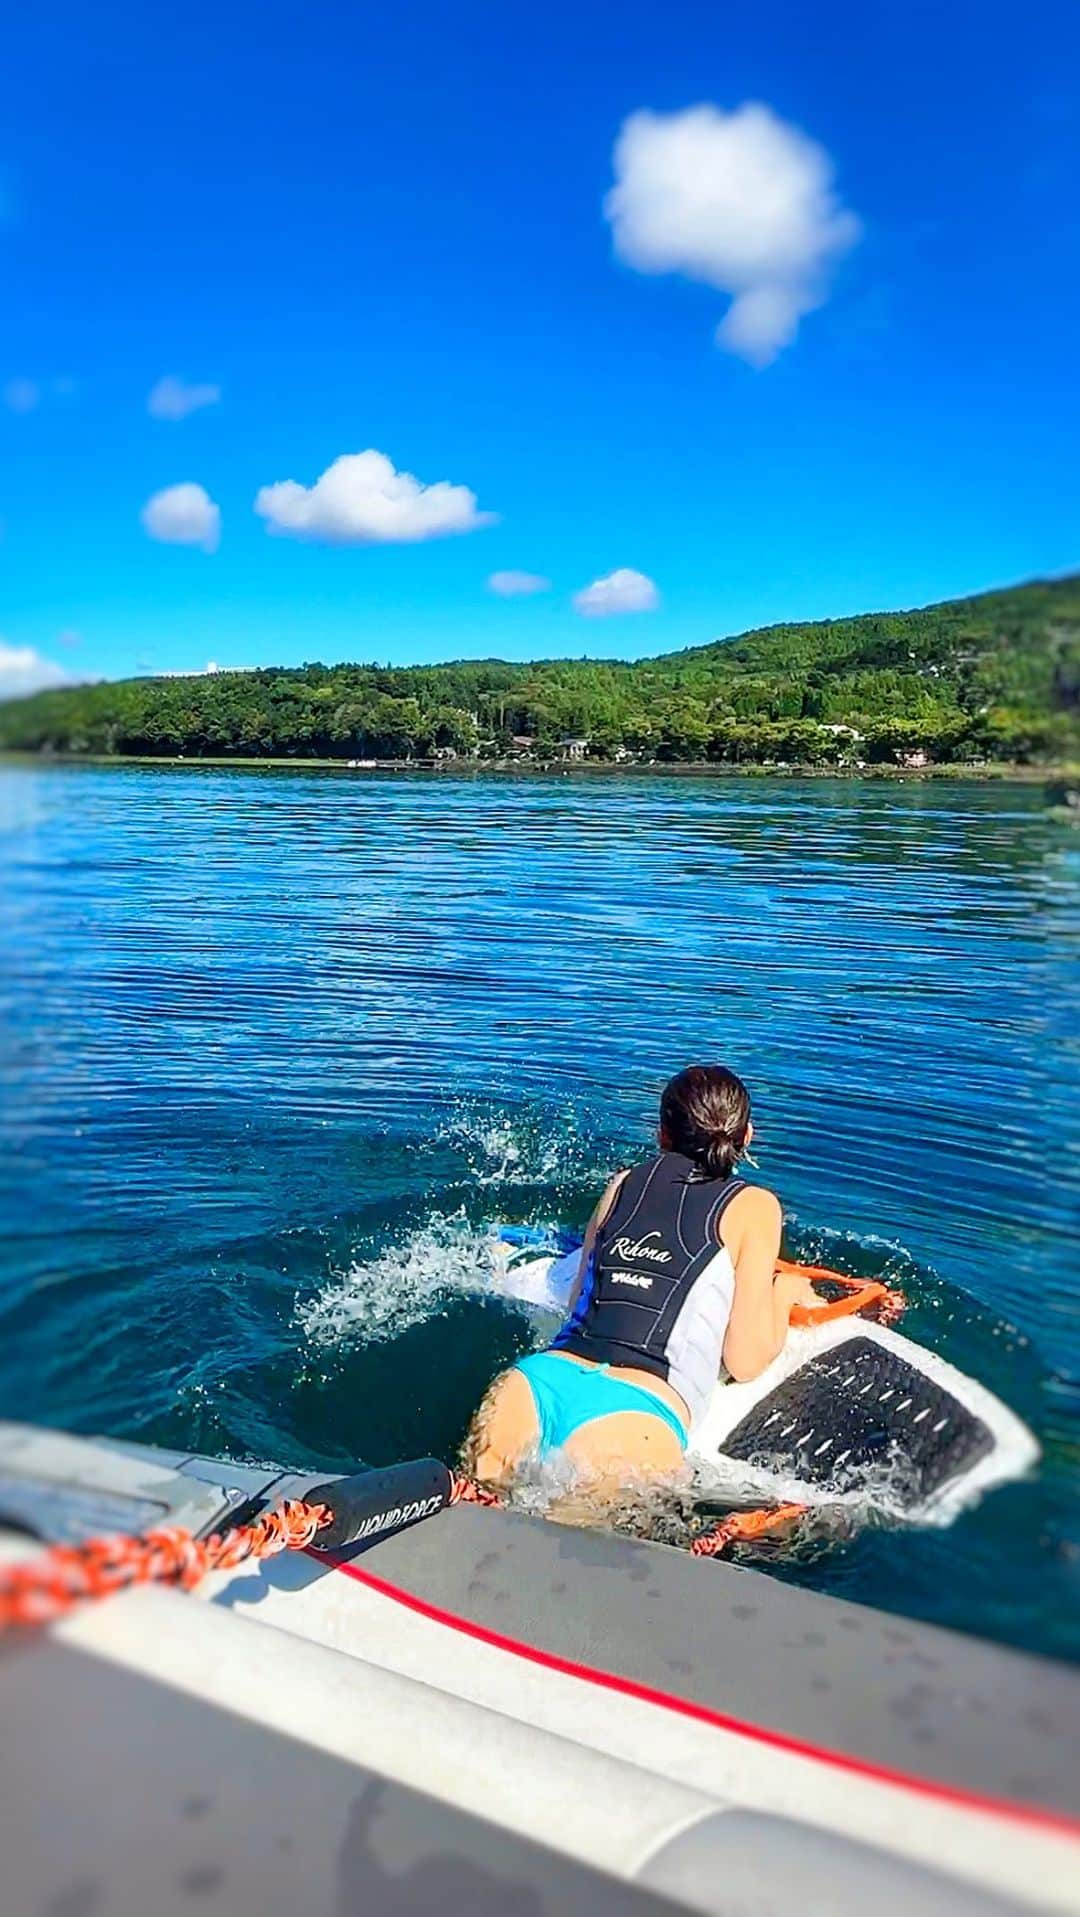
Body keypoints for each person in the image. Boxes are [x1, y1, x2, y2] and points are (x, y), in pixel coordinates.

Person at [464, 1064, 816, 1488]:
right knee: (565, 1550)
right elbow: (744, 1360)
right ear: (746, 1137)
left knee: (461, 1521)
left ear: (661, 1134)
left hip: (535, 1384)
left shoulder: (623, 1183)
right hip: (637, 1413)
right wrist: (784, 1292)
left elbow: (580, 1298)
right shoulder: (755, 1206)